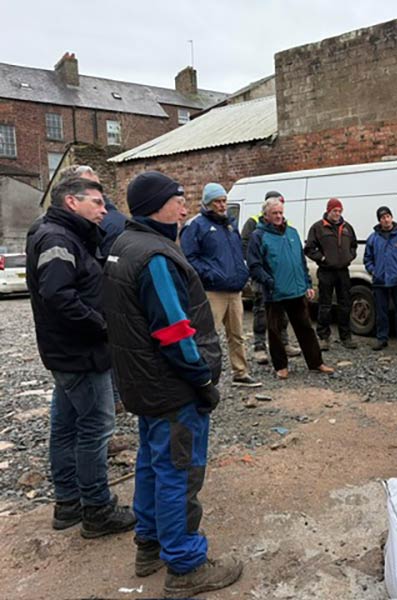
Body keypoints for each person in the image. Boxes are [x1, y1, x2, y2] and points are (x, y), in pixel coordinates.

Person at [103, 171, 243, 596]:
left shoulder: (124, 245)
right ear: (154, 206)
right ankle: (185, 566)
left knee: (151, 463)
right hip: (172, 389)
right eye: (177, 200)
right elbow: (174, 331)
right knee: (179, 474)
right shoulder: (156, 256)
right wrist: (201, 378)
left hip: (145, 387)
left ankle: (149, 545)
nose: (185, 208)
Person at [25, 176, 136, 537]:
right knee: (95, 429)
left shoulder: (65, 233)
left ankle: (68, 503)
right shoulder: (58, 238)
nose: (105, 210)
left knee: (66, 425)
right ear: (72, 202)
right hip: (80, 353)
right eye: (98, 203)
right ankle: (97, 509)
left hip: (68, 353)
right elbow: (58, 296)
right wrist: (103, 326)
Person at [247, 196, 335, 379]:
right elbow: (254, 265)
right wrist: (269, 282)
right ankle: (281, 366)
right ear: (266, 215)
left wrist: (308, 284)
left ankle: (316, 362)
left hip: (296, 290)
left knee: (305, 327)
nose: (279, 216)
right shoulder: (258, 236)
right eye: (274, 213)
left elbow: (301, 262)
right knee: (275, 331)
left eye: (280, 212)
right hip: (275, 293)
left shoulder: (293, 233)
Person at [180, 183, 259, 387]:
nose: (223, 205)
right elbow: (189, 258)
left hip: (234, 290)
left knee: (237, 334)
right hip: (212, 291)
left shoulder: (230, 225)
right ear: (208, 203)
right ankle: (203, 375)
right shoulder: (195, 226)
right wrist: (211, 275)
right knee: (207, 335)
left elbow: (237, 254)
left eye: (224, 200)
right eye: (218, 201)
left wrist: (242, 273)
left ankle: (240, 373)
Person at [241, 190, 300, 364]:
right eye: (275, 208)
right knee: (261, 311)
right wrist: (258, 265)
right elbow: (245, 246)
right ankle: (260, 347)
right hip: (262, 277)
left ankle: (284, 343)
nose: (279, 213)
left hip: (281, 278)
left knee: (282, 313)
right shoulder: (253, 223)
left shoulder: (284, 225)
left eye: (281, 207)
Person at [305, 198, 358, 350]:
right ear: (328, 211)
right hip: (326, 271)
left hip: (343, 271)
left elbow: (354, 245)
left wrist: (349, 256)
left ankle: (346, 337)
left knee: (345, 305)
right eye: (334, 210)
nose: (337, 213)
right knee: (325, 305)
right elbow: (309, 248)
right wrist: (322, 258)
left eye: (339, 211)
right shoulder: (318, 227)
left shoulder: (347, 227)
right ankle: (323, 337)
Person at [364, 206, 397, 351]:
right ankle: (382, 339)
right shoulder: (373, 238)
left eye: (388, 216)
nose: (386, 220)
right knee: (381, 312)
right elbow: (367, 258)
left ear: (391, 217)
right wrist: (374, 271)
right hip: (380, 281)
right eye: (382, 217)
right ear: (379, 220)